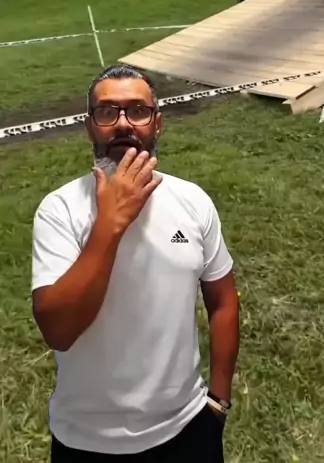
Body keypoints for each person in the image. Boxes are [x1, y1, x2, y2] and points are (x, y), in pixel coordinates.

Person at [32, 64, 240, 462]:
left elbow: (223, 300)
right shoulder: (60, 211)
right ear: (89, 127)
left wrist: (219, 401)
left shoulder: (193, 202)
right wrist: (111, 223)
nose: (124, 124)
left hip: (187, 429)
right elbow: (58, 330)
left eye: (138, 111)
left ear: (157, 123)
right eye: (107, 112)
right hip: (87, 442)